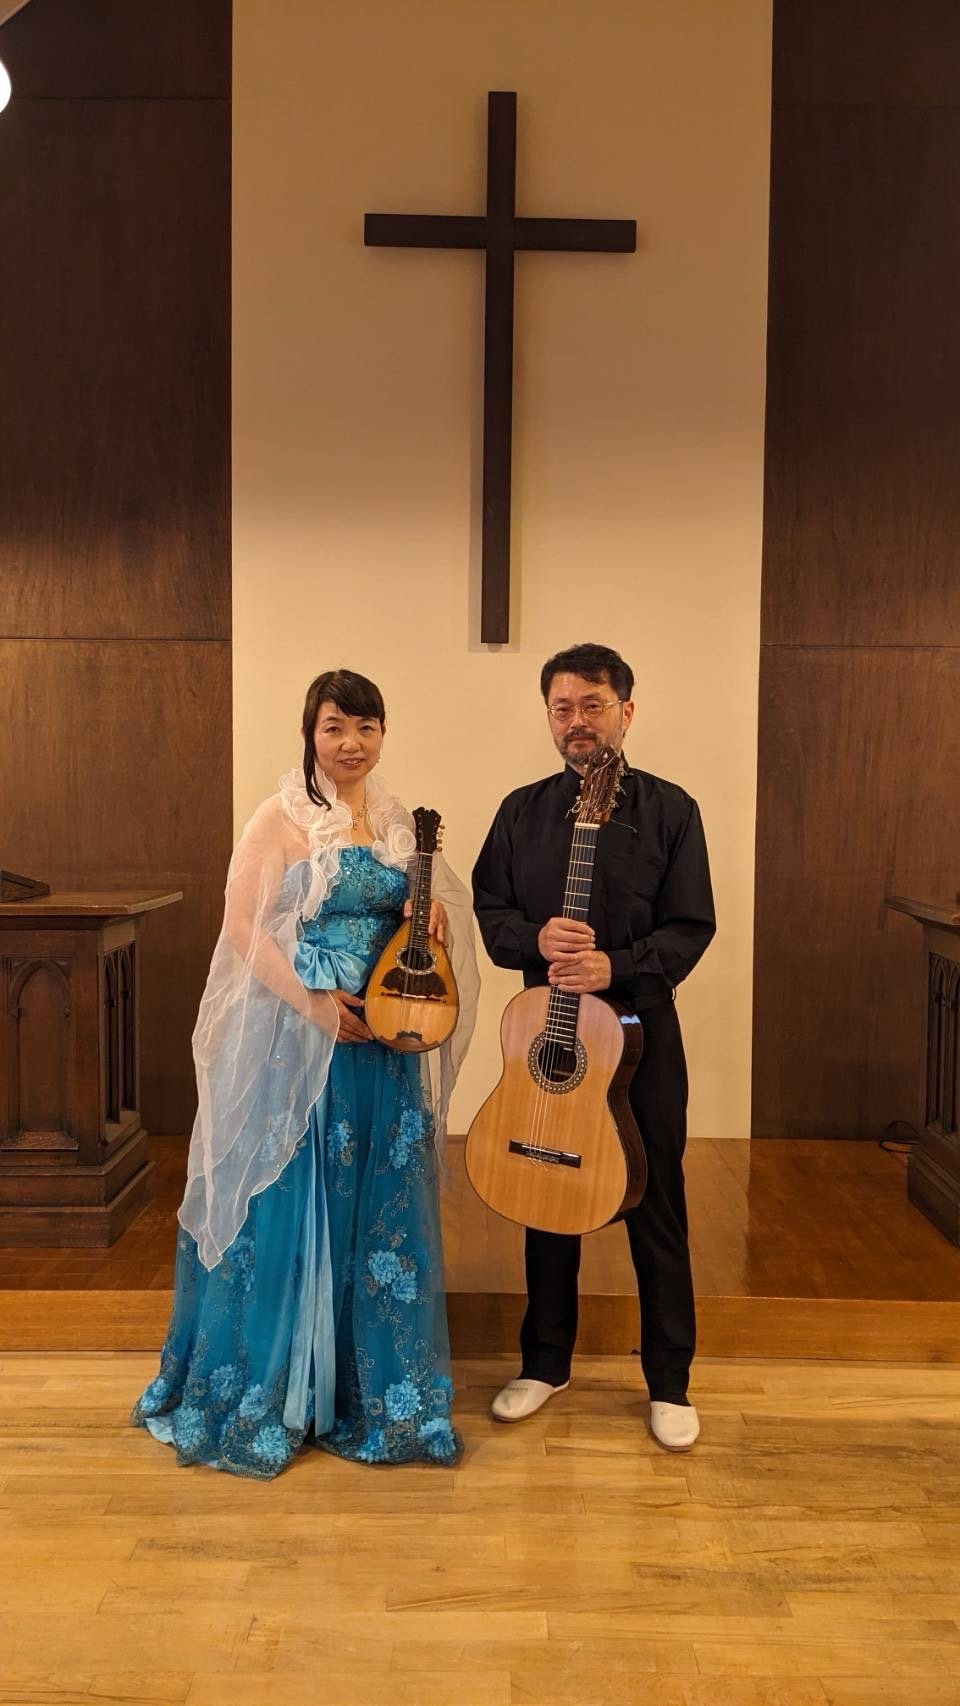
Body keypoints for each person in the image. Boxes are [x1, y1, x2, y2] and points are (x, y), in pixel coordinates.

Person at [132, 669, 478, 1477]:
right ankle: (289, 1393)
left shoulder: (394, 822)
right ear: (309, 734)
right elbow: (243, 930)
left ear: (382, 734)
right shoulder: (279, 817)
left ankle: (366, 1392)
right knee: (300, 1204)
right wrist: (316, 1006)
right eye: (334, 727)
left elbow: (417, 916)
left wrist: (427, 914)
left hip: (385, 1043)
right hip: (305, 1046)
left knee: (374, 1209)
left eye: (366, 727)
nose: (351, 743)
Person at [471, 642, 715, 1450]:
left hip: (642, 1035)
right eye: (563, 707)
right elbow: (492, 913)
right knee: (547, 1191)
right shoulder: (521, 812)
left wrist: (619, 963)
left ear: (626, 712)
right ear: (549, 716)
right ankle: (545, 1362)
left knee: (656, 1199)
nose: (577, 721)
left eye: (593, 705)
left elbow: (692, 925)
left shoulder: (672, 810)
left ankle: (669, 1381)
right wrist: (535, 939)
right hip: (553, 1038)